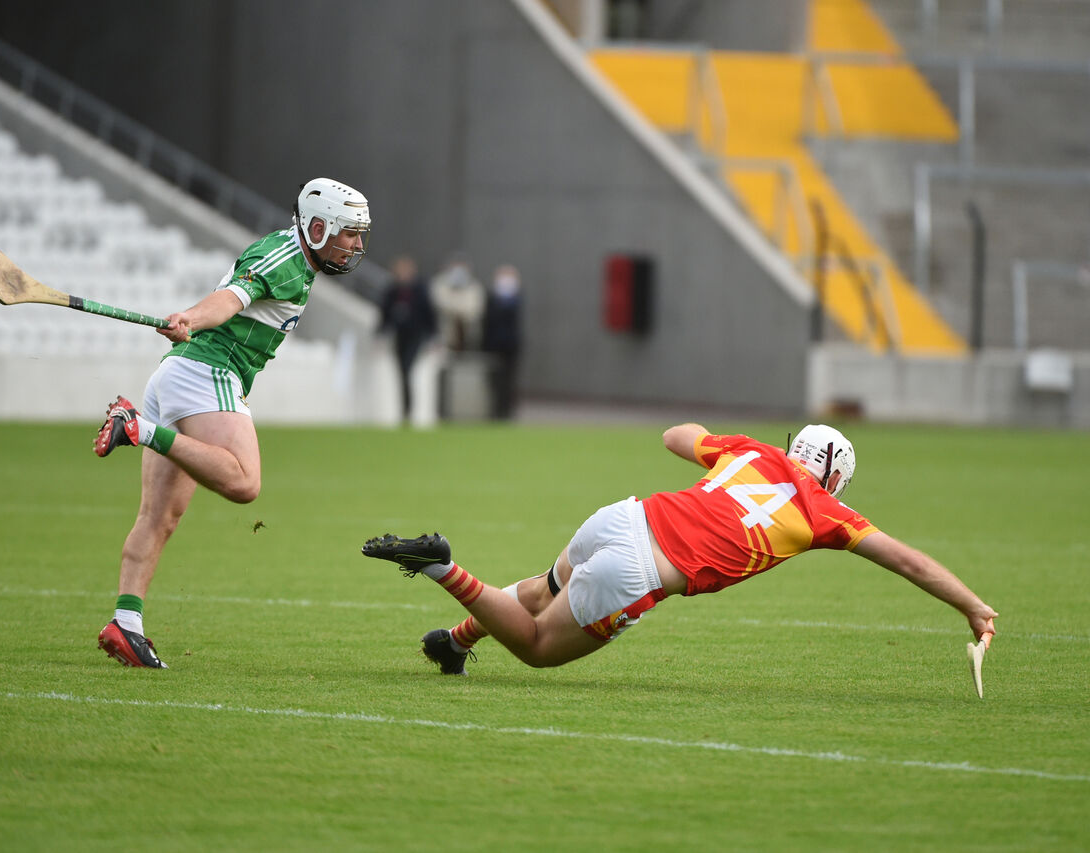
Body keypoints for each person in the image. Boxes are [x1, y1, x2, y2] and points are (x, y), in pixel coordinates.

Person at [362, 422, 998, 677]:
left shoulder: (753, 452)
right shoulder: (828, 513)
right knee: (535, 649)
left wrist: (712, 443)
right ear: (834, 479)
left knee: (539, 591)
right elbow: (910, 561)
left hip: (623, 514)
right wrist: (974, 607)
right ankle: (441, 563)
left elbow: (675, 435)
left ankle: (457, 643)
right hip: (642, 568)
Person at [94, 177, 371, 669]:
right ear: (319, 226)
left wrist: (191, 322)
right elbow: (233, 298)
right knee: (244, 482)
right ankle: (138, 428)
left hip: (175, 376)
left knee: (160, 518)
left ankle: (126, 623)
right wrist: (194, 319)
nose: (357, 245)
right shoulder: (284, 258)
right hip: (207, 372)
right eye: (350, 232)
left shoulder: (295, 259)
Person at [377, 255, 437, 423]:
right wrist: (381, 335)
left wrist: (433, 337)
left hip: (415, 336)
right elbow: (385, 315)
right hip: (400, 336)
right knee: (402, 372)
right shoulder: (392, 291)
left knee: (407, 369)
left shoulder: (420, 290)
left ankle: (408, 409)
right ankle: (405, 409)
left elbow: (429, 315)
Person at [480, 264, 523, 420]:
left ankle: (507, 411)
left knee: (509, 380)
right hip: (493, 345)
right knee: (494, 380)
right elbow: (487, 322)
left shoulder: (516, 298)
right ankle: (494, 411)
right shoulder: (491, 298)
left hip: (511, 346)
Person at [429, 253, 485, 352]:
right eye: (455, 266)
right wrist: (459, 308)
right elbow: (441, 303)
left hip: (468, 338)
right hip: (443, 336)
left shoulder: (474, 287)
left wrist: (456, 309)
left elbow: (474, 310)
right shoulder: (440, 284)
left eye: (462, 266)